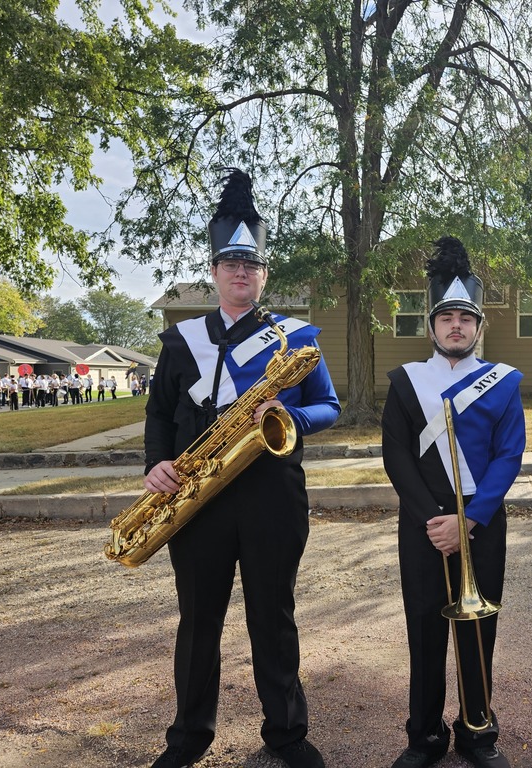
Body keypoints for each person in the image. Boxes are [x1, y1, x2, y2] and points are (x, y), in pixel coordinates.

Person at [142, 168, 340, 768]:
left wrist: (294, 419)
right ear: (214, 272)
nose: (240, 273)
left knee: (272, 618)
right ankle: (189, 738)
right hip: (196, 499)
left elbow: (328, 405)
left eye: (250, 266)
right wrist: (156, 464)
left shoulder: (295, 338)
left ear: (263, 275)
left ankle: (285, 734)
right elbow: (157, 414)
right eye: (230, 264)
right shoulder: (180, 342)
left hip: (271, 496)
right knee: (198, 622)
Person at [382, 237, 525, 768]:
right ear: (432, 326)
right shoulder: (407, 382)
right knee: (424, 627)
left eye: (466, 318)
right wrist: (432, 519)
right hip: (423, 520)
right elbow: (395, 456)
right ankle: (424, 736)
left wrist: (470, 519)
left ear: (479, 326)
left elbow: (510, 455)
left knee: (477, 627)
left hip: (481, 519)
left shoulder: (503, 383)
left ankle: (477, 733)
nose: (456, 326)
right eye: (447, 318)